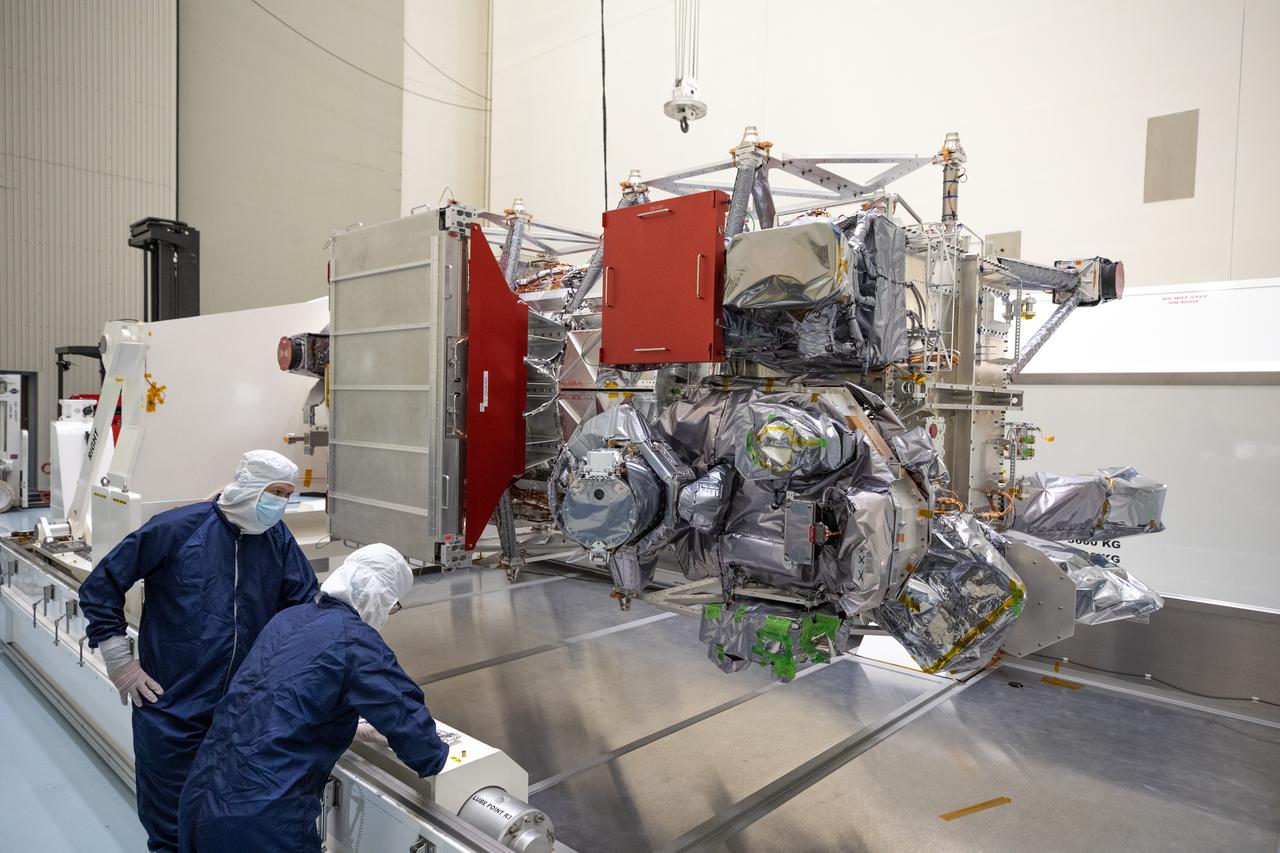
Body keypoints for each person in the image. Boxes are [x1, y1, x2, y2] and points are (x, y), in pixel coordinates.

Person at [79, 449, 320, 853]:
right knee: (171, 824)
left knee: (233, 819)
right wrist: (121, 662)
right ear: (246, 486)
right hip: (172, 706)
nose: (278, 502)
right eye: (273, 491)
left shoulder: (276, 538)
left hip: (245, 710)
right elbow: (101, 584)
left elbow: (305, 608)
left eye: (286, 494)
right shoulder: (178, 528)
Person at [177, 543, 450, 853]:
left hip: (201, 794)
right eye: (393, 605)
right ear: (382, 596)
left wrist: (350, 729)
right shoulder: (356, 641)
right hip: (262, 818)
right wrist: (436, 755)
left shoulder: (289, 618)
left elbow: (269, 698)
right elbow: (418, 740)